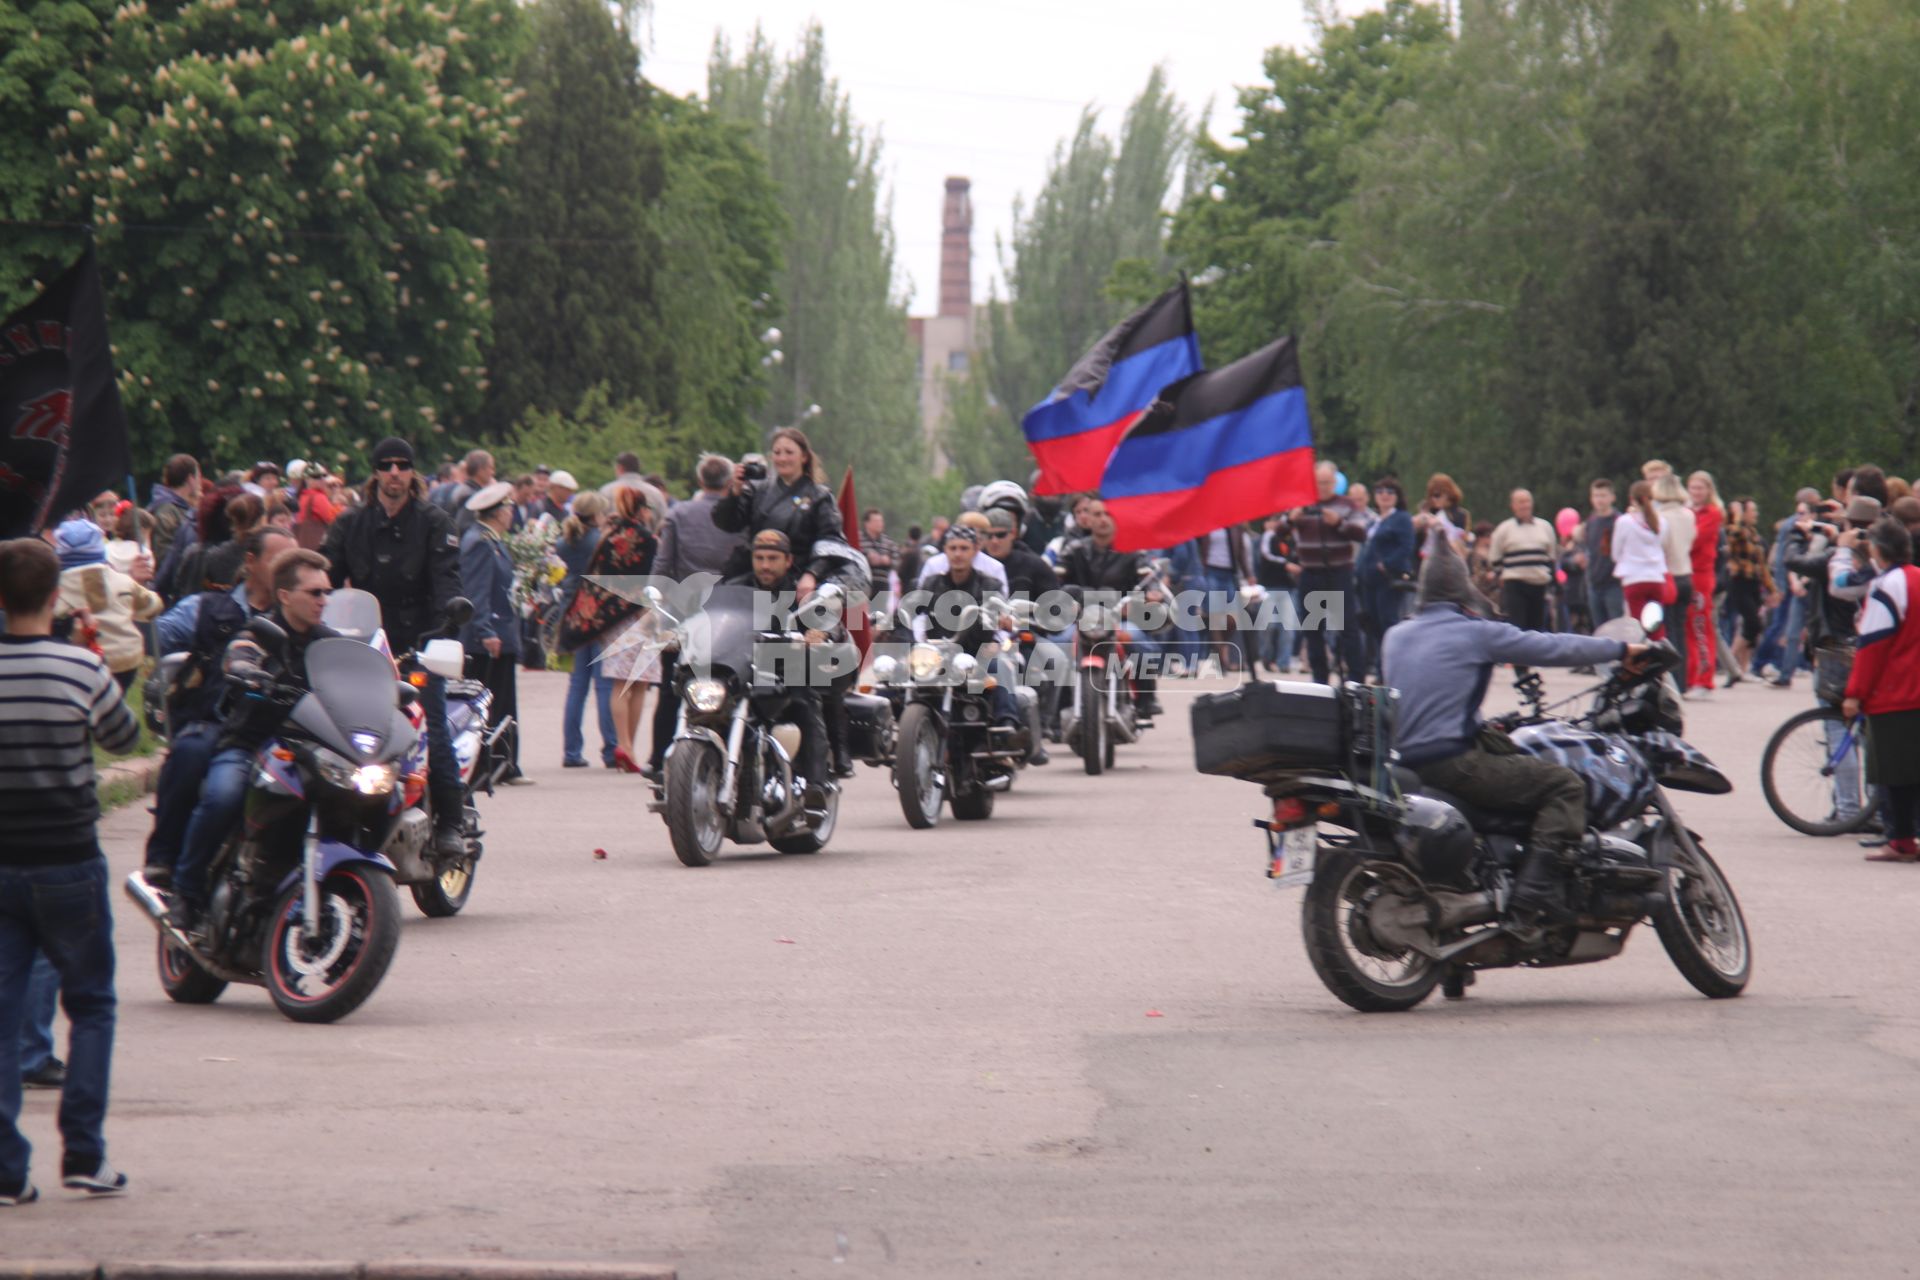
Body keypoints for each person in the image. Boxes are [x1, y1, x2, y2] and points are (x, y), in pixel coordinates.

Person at [1384, 532, 1649, 922]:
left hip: (1405, 765)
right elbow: (1551, 646)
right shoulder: (1475, 632)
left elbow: (1427, 698)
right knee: (1564, 785)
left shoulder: (1396, 635)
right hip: (1452, 762)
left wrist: (1483, 724)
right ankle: (1535, 893)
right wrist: (1621, 650)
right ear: (1463, 588)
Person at [0, 537, 141, 1204]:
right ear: (55, 597)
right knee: (90, 1006)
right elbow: (122, 736)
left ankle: (5, 1169)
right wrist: (96, 656)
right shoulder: (78, 668)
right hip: (70, 862)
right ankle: (83, 1153)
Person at [171, 550, 340, 933]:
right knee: (223, 797)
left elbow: (359, 670)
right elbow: (240, 654)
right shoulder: (259, 631)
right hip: (251, 746)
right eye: (314, 592)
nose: (322, 601)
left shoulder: (328, 642)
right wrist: (247, 671)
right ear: (284, 596)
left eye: (326, 593)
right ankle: (186, 890)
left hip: (311, 752)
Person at [318, 437, 465, 861]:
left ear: (413, 473)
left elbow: (447, 582)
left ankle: (451, 822)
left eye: (403, 465)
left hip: (419, 647)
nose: (395, 472)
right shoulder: (351, 525)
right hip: (365, 646)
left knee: (430, 727)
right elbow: (325, 579)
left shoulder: (436, 523)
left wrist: (445, 630)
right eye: (387, 465)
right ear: (376, 473)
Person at [724, 529, 833, 806]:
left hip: (786, 668)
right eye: (759, 558)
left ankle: (817, 784)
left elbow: (826, 622)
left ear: (788, 560)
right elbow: (713, 618)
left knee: (804, 701)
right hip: (740, 668)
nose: (765, 565)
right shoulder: (736, 588)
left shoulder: (801, 594)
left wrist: (818, 634)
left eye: (772, 558)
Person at [560, 484, 661, 774]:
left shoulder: (608, 537)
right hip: (640, 615)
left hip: (609, 617)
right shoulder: (647, 539)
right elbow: (649, 579)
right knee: (639, 683)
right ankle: (628, 746)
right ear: (641, 509)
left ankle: (623, 745)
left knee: (618, 683)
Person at [1844, 518, 1920, 862]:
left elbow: (1873, 645)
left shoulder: (1887, 586)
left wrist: (1855, 692)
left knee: (1895, 773)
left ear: (1877, 549)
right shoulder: (1917, 578)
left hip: (1897, 690)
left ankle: (1901, 841)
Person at [908, 526, 1023, 737]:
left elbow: (999, 611)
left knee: (1001, 667)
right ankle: (888, 726)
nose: (958, 554)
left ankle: (1007, 727)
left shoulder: (990, 584)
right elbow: (911, 610)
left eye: (964, 548)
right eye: (952, 548)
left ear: (975, 551)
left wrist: (1002, 620)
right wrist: (886, 621)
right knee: (894, 670)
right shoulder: (932, 582)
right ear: (945, 550)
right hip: (937, 656)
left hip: (977, 654)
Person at [1057, 498, 1166, 717]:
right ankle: (1058, 709)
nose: (1103, 519)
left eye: (1109, 514)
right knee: (1059, 643)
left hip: (1120, 617)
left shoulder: (1133, 551)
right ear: (1087, 518)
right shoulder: (1073, 550)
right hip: (1081, 618)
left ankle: (1146, 698)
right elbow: (1055, 583)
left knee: (1136, 640)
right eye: (1097, 514)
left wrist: (1151, 595)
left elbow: (1149, 579)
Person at [712, 428, 844, 592]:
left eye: (789, 452)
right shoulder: (756, 490)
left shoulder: (820, 496)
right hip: (756, 579)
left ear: (804, 457)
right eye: (777, 452)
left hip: (799, 585)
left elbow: (832, 543)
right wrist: (735, 493)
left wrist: (812, 574)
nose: (782, 458)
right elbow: (726, 523)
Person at [1275, 460, 1368, 684]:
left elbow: (1361, 533)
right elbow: (1279, 531)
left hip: (1339, 572)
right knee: (1313, 630)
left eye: (1327, 483)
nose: (1323, 487)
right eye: (1318, 483)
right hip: (1311, 573)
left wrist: (1338, 523)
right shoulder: (1302, 504)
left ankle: (1355, 679)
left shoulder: (1346, 505)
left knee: (1347, 629)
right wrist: (1290, 519)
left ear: (1335, 482)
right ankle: (1320, 680)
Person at [458, 483, 527, 785]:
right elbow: (476, 591)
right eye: (509, 508)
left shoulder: (492, 540)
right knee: (489, 704)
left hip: (501, 630)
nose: (512, 513)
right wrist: (484, 629)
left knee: (503, 703)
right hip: (488, 636)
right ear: (499, 512)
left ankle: (505, 762)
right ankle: (488, 765)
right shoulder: (480, 543)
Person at [50, 520, 161, 693]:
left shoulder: (56, 590)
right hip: (125, 659)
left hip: (82, 662)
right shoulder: (122, 581)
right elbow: (153, 606)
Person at [555, 493, 618, 769]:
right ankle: (611, 749)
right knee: (604, 685)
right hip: (598, 615)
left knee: (576, 686)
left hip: (572, 615)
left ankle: (571, 751)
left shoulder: (565, 541)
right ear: (596, 516)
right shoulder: (601, 542)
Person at [1356, 478, 1416, 680]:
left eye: (1390, 491)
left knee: (1388, 624)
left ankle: (1391, 671)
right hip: (1368, 580)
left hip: (1387, 579)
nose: (1385, 494)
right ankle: (1382, 668)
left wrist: (1387, 564)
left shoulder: (1401, 518)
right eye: (1380, 491)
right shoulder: (1374, 521)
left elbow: (1406, 547)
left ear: (1397, 497)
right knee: (1373, 625)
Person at [1683, 470, 1725, 698]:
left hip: (1700, 574)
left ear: (1709, 490)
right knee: (1686, 627)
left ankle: (1704, 679)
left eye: (1701, 488)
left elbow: (1694, 539)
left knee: (1700, 626)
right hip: (1684, 571)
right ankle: (1689, 676)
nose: (1697, 492)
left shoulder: (1713, 513)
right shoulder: (1687, 512)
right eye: (1693, 488)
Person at [1488, 488, 1556, 632]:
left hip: (1539, 584)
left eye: (1527, 501)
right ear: (1513, 506)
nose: (1524, 505)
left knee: (1537, 629)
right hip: (1515, 585)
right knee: (1517, 628)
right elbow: (1495, 559)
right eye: (1520, 502)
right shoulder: (1504, 529)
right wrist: (1502, 577)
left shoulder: (1545, 527)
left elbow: (1551, 557)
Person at [1722, 498, 1772, 684]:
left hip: (1753, 583)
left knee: (1749, 626)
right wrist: (1736, 516)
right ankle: (1731, 664)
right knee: (1752, 622)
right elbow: (1732, 536)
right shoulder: (1734, 529)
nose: (1756, 514)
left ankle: (1742, 668)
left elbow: (1762, 565)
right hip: (1739, 581)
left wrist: (1771, 588)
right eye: (1752, 510)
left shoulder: (1754, 534)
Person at [1611, 480, 1670, 631]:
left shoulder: (1624, 522)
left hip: (1634, 577)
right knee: (1656, 625)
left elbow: (1616, 553)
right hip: (1656, 577)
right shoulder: (1662, 522)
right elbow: (1662, 546)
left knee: (1638, 625)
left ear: (1632, 499)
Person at [1578, 480, 1622, 629]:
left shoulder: (1619, 521)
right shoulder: (1591, 522)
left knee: (1617, 627)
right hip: (1594, 584)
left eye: (1603, 495)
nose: (1599, 500)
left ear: (1612, 497)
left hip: (1614, 584)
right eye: (1596, 496)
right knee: (1600, 629)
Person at [148, 454, 202, 570]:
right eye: (199, 477)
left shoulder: (179, 508)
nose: (200, 483)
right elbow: (163, 555)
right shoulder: (166, 510)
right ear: (191, 480)